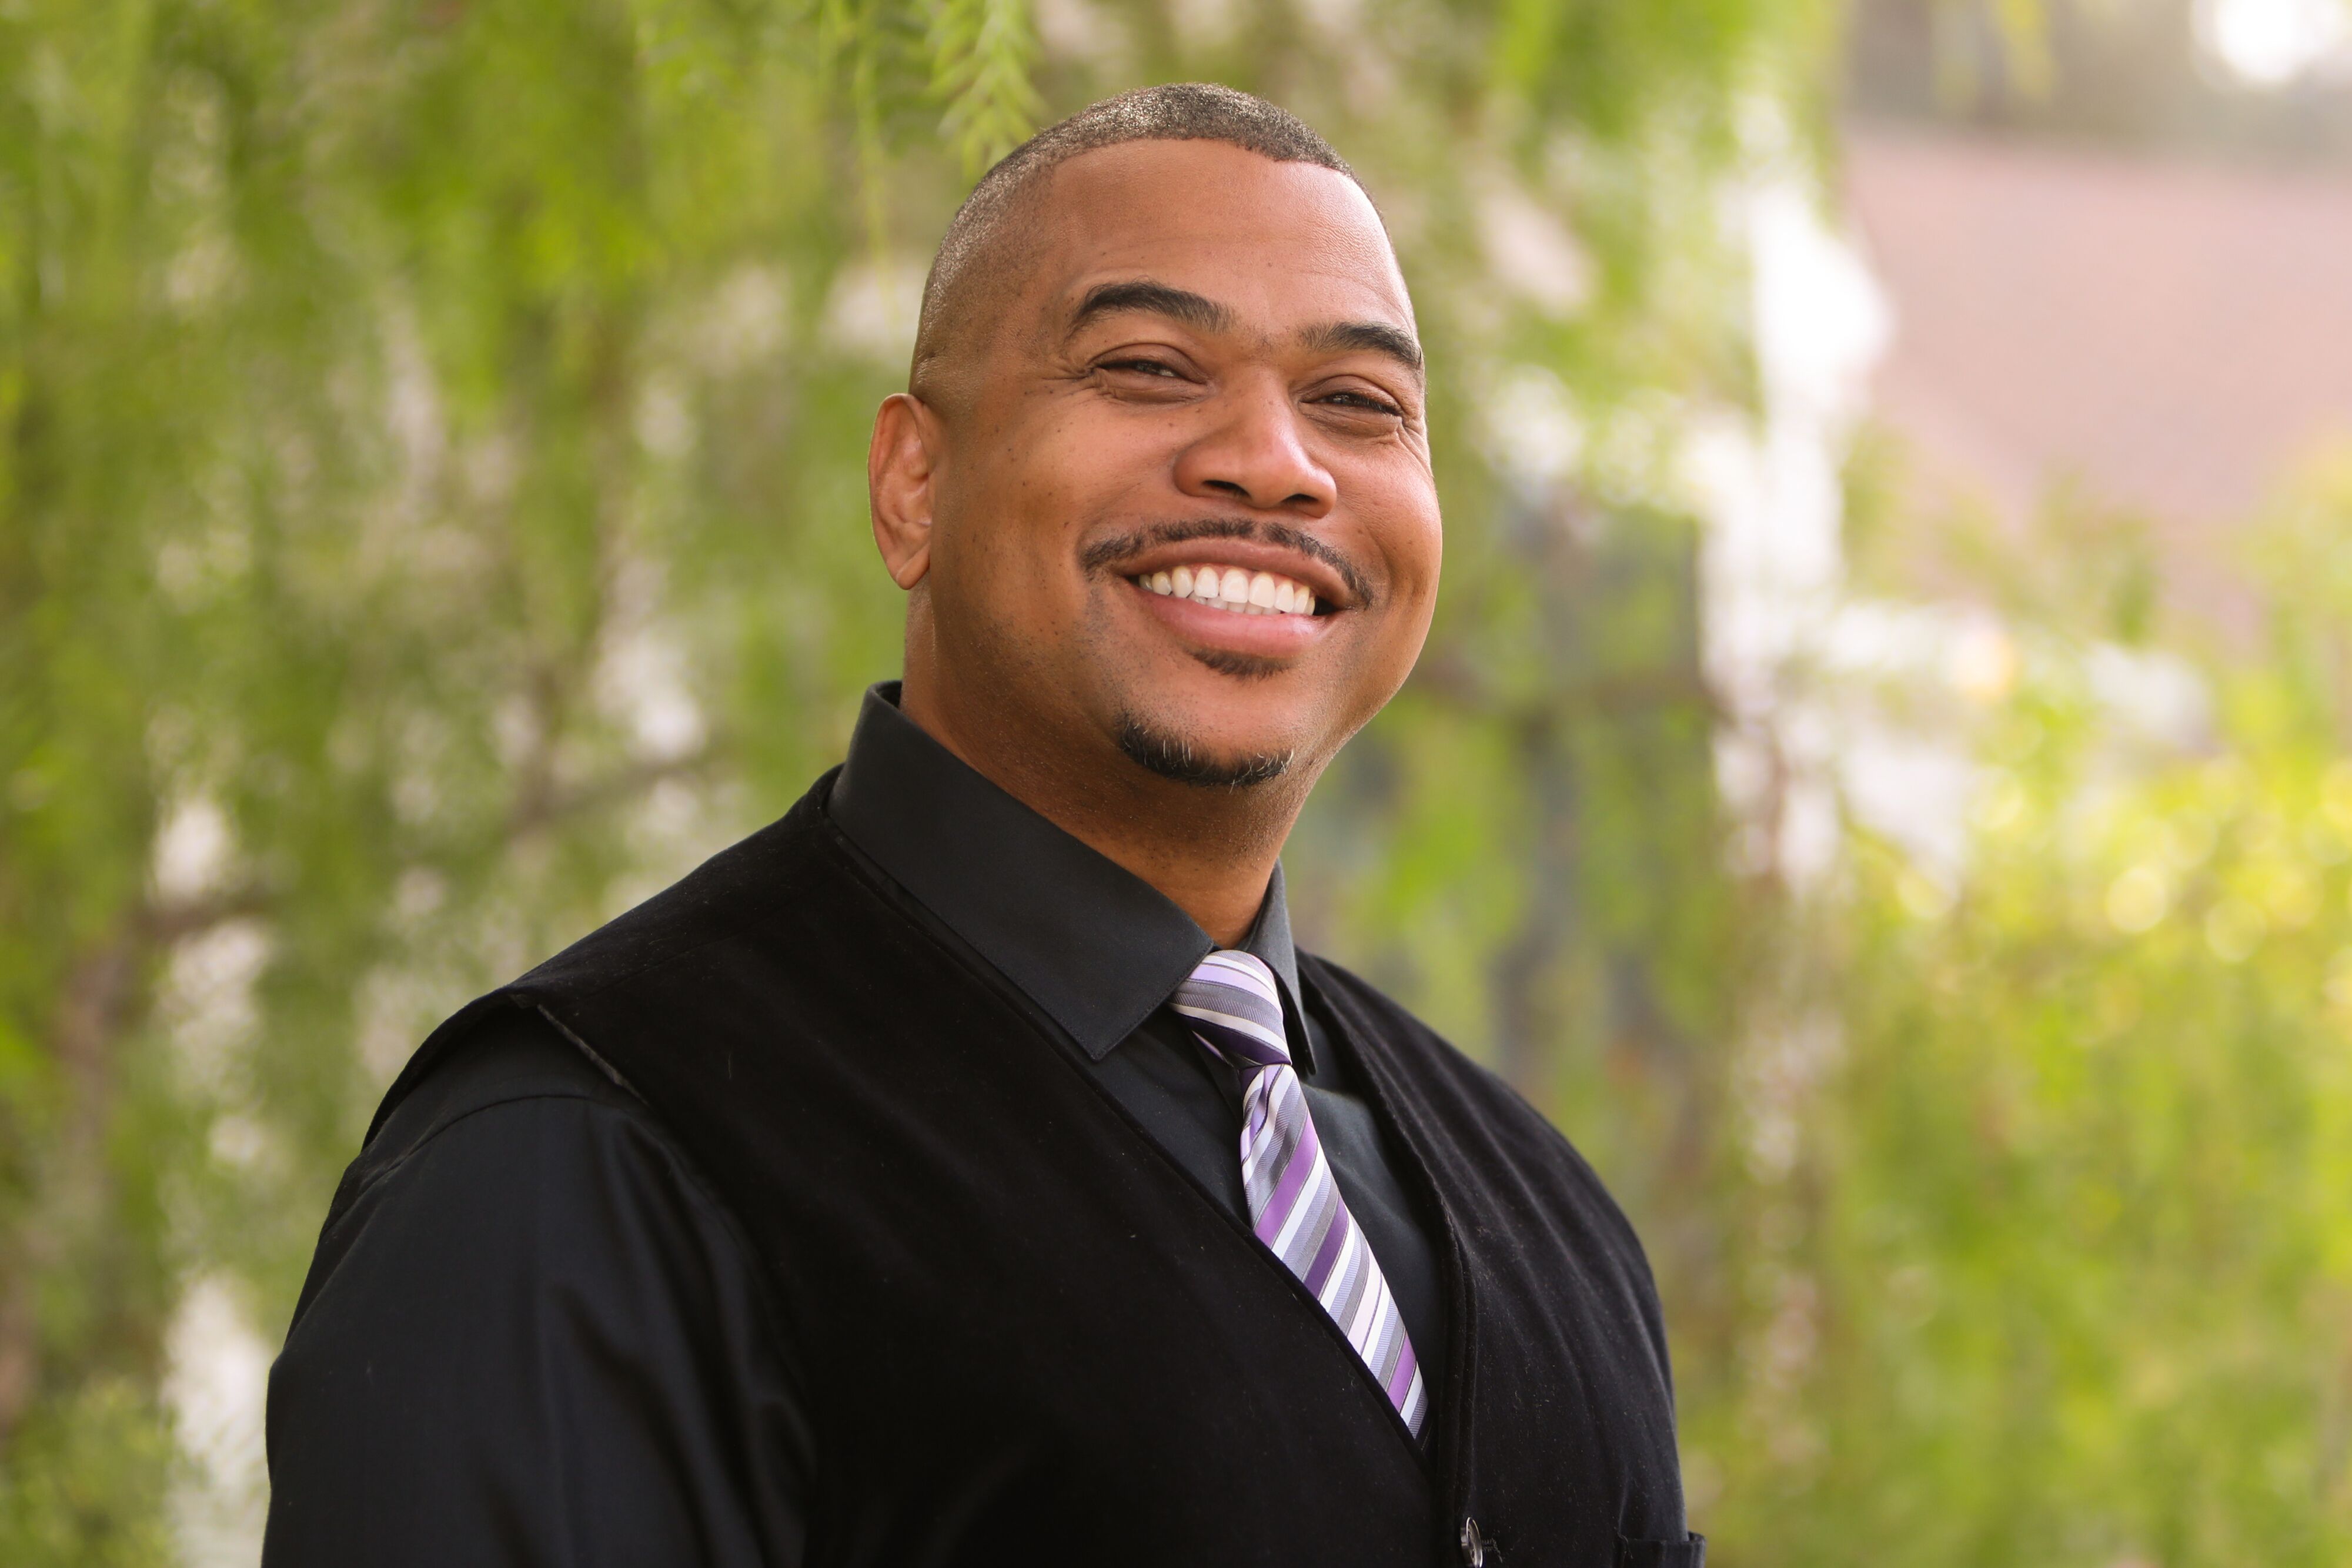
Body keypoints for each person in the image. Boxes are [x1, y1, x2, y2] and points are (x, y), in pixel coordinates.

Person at [262, 83, 1699, 1568]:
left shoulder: (1540, 1205)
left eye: (1357, 401)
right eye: (1148, 365)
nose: (1275, 459)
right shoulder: (585, 1158)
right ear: (912, 485)